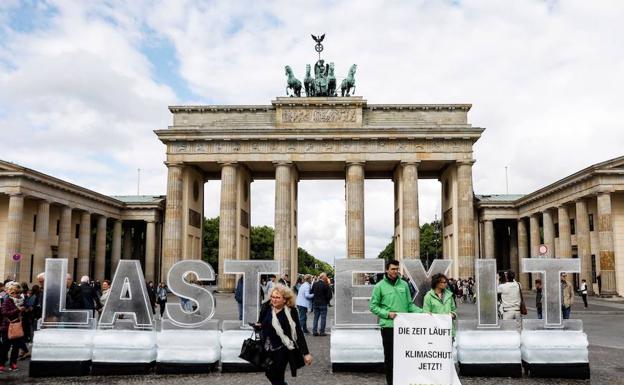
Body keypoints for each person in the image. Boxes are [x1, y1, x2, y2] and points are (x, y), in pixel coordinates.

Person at [369, 260, 423, 385]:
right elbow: (373, 306)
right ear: (387, 270)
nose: (395, 271)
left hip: (403, 328)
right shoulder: (379, 286)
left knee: (404, 357)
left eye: (397, 269)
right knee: (390, 358)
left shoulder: (404, 284)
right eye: (393, 269)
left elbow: (410, 305)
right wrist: (387, 314)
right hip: (388, 327)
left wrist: (423, 312)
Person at [257, 284, 313, 385]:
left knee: (277, 376)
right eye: (273, 297)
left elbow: (298, 332)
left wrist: (306, 353)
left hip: (282, 350)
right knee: (269, 374)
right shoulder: (266, 307)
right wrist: (258, 326)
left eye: (277, 297)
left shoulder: (291, 311)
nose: (274, 300)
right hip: (266, 348)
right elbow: (260, 322)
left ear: (285, 299)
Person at [0, 282, 26, 372]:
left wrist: (23, 310)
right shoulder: (7, 300)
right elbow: (4, 312)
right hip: (6, 327)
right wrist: (17, 310)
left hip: (16, 327)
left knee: (16, 347)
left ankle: (13, 364)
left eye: (18, 293)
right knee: (5, 347)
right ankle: (1, 364)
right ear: (11, 292)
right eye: (15, 293)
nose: (17, 295)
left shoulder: (20, 301)